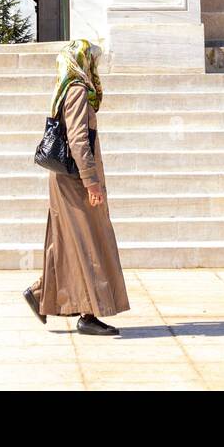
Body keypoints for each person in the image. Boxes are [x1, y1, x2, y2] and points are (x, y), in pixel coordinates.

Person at [24, 38, 130, 336]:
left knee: (70, 242)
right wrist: (92, 183)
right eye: (92, 60)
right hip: (75, 182)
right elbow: (79, 140)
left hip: (69, 180)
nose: (95, 65)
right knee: (88, 243)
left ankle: (41, 291)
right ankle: (88, 314)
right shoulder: (77, 90)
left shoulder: (68, 88)